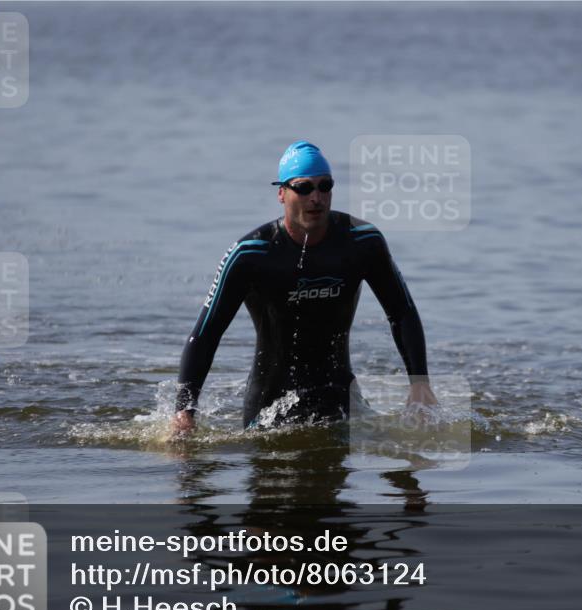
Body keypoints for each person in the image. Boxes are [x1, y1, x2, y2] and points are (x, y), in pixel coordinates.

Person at [172, 141, 436, 434]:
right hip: (268, 407)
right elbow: (207, 333)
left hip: (340, 401)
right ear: (282, 193)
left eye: (325, 186)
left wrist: (420, 384)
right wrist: (184, 411)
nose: (316, 197)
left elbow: (402, 312)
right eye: (304, 187)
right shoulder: (251, 254)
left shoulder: (362, 243)